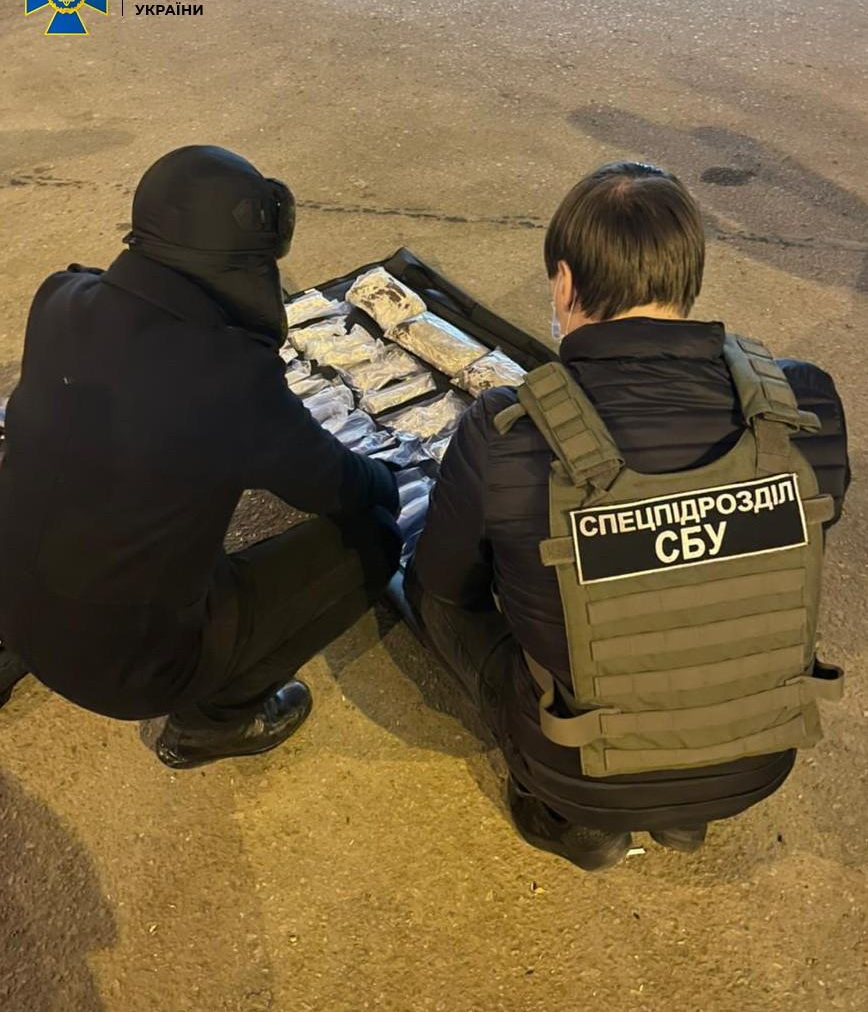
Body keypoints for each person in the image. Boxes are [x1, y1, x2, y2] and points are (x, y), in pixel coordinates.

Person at [406, 161, 850, 871]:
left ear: (563, 283)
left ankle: (575, 825)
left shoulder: (508, 429)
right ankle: (686, 813)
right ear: (688, 277)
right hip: (757, 761)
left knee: (426, 592)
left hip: (582, 770)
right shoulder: (805, 401)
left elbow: (444, 582)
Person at [0, 145, 401, 769]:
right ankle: (210, 724)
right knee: (373, 539)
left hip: (11, 601)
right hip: (126, 667)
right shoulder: (230, 377)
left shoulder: (60, 295)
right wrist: (390, 479)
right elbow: (339, 486)